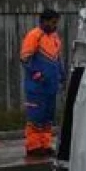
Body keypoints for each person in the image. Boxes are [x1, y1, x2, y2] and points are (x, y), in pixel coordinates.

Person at [21, 9, 65, 157]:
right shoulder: (34, 35)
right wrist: (36, 74)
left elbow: (57, 59)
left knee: (47, 117)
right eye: (53, 23)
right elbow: (25, 58)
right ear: (44, 21)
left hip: (51, 86)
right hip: (37, 87)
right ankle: (33, 146)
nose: (55, 26)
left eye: (56, 23)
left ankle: (45, 144)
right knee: (35, 116)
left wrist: (62, 75)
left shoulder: (54, 37)